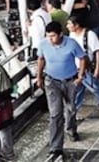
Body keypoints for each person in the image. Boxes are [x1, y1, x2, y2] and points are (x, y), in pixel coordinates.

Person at [36, 21, 85, 158]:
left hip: (70, 81)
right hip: (52, 82)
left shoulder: (71, 44)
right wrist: (39, 77)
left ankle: (71, 130)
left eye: (53, 36)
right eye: (48, 36)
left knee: (70, 109)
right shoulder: (43, 44)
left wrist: (80, 76)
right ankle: (56, 147)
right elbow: (40, 60)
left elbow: (82, 58)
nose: (50, 39)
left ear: (61, 34)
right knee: (55, 114)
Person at [66, 18, 99, 118]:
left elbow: (97, 51)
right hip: (75, 67)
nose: (67, 26)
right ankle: (73, 111)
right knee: (77, 90)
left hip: (86, 68)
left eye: (69, 24)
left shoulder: (89, 34)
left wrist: (98, 67)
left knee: (96, 88)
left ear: (77, 25)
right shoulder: (71, 35)